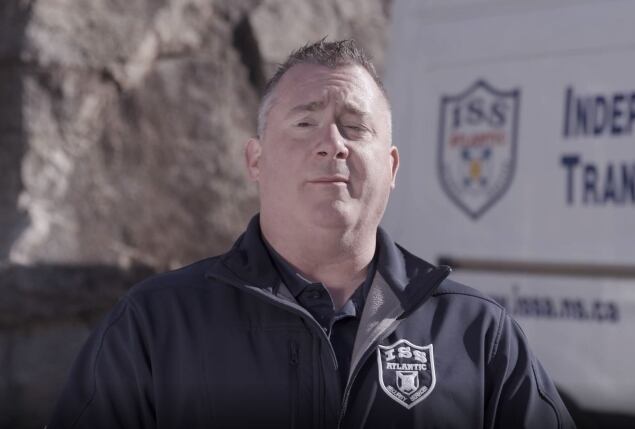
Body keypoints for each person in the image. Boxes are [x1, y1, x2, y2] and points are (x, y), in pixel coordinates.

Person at [48, 39, 576, 429]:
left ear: (391, 167)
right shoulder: (155, 326)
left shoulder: (476, 334)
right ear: (255, 159)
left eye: (355, 126)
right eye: (305, 123)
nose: (333, 144)